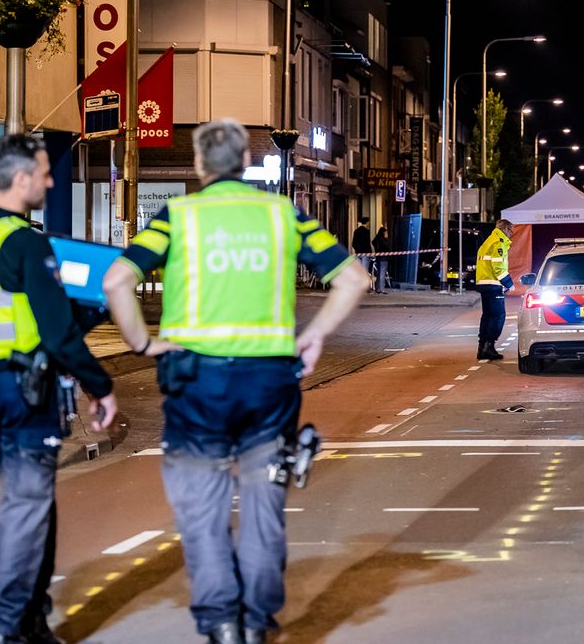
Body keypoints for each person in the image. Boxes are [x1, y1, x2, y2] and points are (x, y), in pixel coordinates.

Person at [103, 119, 369, 644]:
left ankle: (221, 620)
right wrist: (313, 336)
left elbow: (116, 279)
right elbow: (353, 277)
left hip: (197, 383)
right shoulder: (282, 215)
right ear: (246, 163)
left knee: (201, 504)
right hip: (269, 383)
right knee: (263, 500)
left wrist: (143, 343)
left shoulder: (177, 217)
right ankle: (257, 621)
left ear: (201, 165)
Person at [0, 134, 118, 644]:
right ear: (20, 179)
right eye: (43, 172)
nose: (49, 180)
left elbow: (7, 317)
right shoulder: (25, 242)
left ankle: (32, 620)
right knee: (26, 504)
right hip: (24, 393)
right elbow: (57, 331)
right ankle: (4, 627)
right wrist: (100, 386)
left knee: (34, 502)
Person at [474, 219, 515, 360]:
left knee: (487, 316)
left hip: (484, 284)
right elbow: (498, 267)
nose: (512, 234)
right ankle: (489, 347)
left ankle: (482, 348)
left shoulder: (488, 241)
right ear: (506, 229)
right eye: (511, 230)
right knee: (498, 316)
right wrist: (509, 283)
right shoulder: (499, 243)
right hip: (493, 284)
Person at [350, 216, 373, 288]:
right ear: (367, 222)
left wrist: (358, 250)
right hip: (365, 254)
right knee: (364, 271)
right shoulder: (366, 231)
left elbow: (353, 243)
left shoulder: (356, 231)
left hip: (358, 253)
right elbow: (367, 243)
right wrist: (370, 252)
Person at [371, 226, 391, 294]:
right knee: (382, 273)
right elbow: (387, 248)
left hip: (378, 257)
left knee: (379, 273)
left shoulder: (377, 239)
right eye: (385, 232)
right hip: (384, 258)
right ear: (383, 233)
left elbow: (373, 242)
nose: (386, 233)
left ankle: (378, 288)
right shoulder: (383, 240)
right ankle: (381, 289)